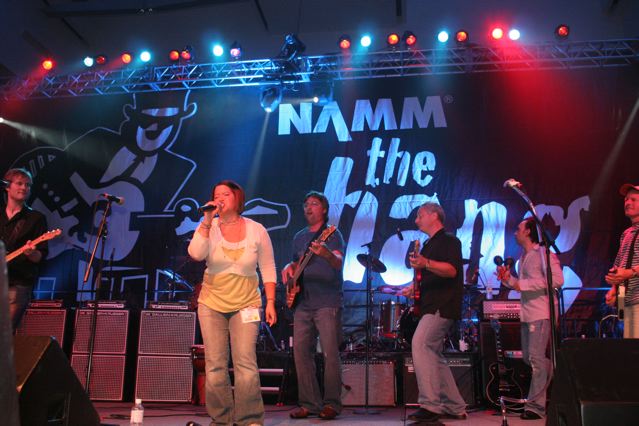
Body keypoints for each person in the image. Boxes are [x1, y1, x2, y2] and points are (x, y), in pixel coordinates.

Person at [187, 180, 277, 426]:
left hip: (247, 303)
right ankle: (221, 419)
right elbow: (196, 254)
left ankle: (250, 419)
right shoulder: (209, 226)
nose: (220, 198)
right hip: (211, 303)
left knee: (245, 362)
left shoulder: (257, 229)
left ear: (238, 198)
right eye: (216, 194)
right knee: (215, 365)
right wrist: (207, 221)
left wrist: (270, 301)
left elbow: (268, 267)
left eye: (225, 194)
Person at [282, 191, 345, 420]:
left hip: (327, 301)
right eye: (306, 204)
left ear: (324, 209)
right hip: (303, 302)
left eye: (314, 204)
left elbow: (338, 262)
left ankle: (332, 404)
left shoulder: (332, 234)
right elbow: (296, 262)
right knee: (301, 353)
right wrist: (288, 267)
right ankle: (310, 404)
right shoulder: (299, 236)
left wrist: (326, 254)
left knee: (330, 353)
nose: (309, 207)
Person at [403, 202, 467, 422]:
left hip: (442, 304)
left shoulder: (449, 241)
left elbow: (451, 270)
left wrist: (426, 262)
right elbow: (429, 274)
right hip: (430, 304)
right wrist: (413, 288)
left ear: (433, 215)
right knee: (433, 354)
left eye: (420, 215)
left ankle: (431, 406)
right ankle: (455, 406)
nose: (416, 220)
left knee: (421, 344)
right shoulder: (429, 244)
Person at [497, 217, 564, 420]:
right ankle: (558, 371)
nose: (515, 232)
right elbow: (520, 284)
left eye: (518, 229)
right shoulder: (524, 256)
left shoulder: (543, 254)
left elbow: (557, 280)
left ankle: (536, 407)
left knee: (535, 358)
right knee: (529, 358)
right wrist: (508, 279)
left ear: (528, 232)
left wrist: (523, 285)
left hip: (541, 313)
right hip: (528, 312)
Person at [1, 168, 48, 331]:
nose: (24, 188)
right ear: (7, 186)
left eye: (28, 185)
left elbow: (40, 256)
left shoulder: (36, 218)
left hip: (18, 282)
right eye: (19, 183)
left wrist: (31, 253)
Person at [605, 183, 639, 338]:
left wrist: (630, 273)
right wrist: (613, 288)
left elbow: (627, 270)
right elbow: (619, 263)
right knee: (628, 345)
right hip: (625, 300)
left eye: (633, 199)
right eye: (626, 199)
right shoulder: (626, 233)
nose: (627, 203)